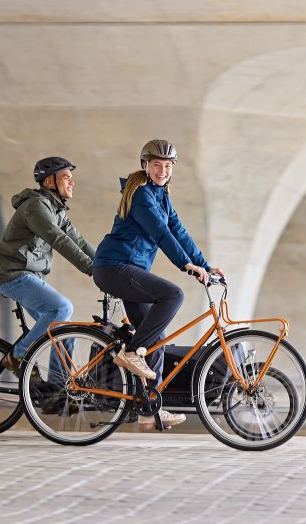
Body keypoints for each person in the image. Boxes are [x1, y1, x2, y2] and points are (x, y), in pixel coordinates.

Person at [92, 139, 225, 430]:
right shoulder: (141, 194)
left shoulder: (162, 196)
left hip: (129, 269)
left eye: (167, 166)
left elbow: (178, 231)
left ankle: (149, 409)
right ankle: (131, 352)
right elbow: (161, 232)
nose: (162, 171)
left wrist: (203, 265)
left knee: (157, 339)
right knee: (173, 295)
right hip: (114, 266)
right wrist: (185, 265)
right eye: (156, 165)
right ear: (145, 166)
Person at [0, 156, 95, 378]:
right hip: (13, 275)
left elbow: (78, 241)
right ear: (49, 182)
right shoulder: (36, 206)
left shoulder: (57, 210)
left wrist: (107, 265)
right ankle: (17, 356)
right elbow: (59, 239)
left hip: (30, 276)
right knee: (61, 308)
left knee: (65, 332)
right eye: (66, 177)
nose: (72, 182)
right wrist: (91, 268)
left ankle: (58, 388)